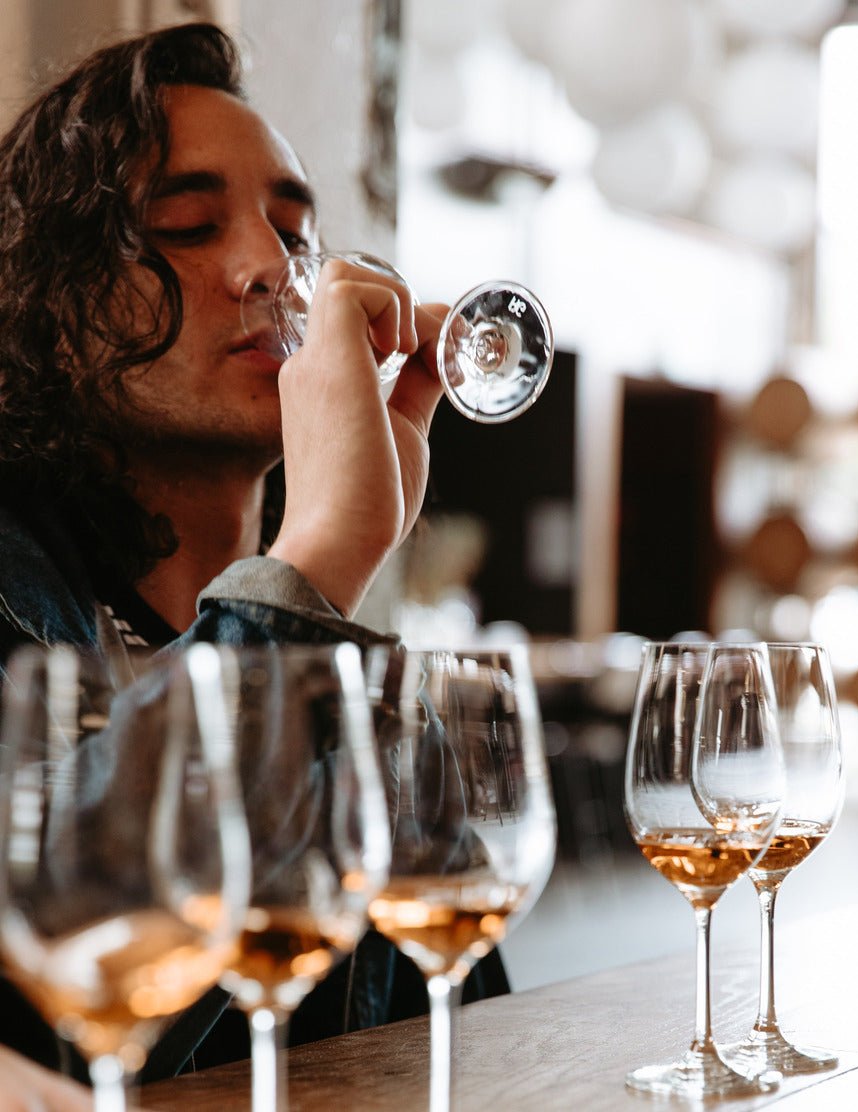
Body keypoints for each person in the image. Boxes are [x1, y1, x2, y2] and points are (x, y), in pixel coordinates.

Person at [0, 19, 509, 1086]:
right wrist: (313, 565)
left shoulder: (325, 629)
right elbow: (54, 1002)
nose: (267, 269)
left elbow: (462, 1040)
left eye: (292, 231)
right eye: (185, 224)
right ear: (49, 317)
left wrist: (336, 600)